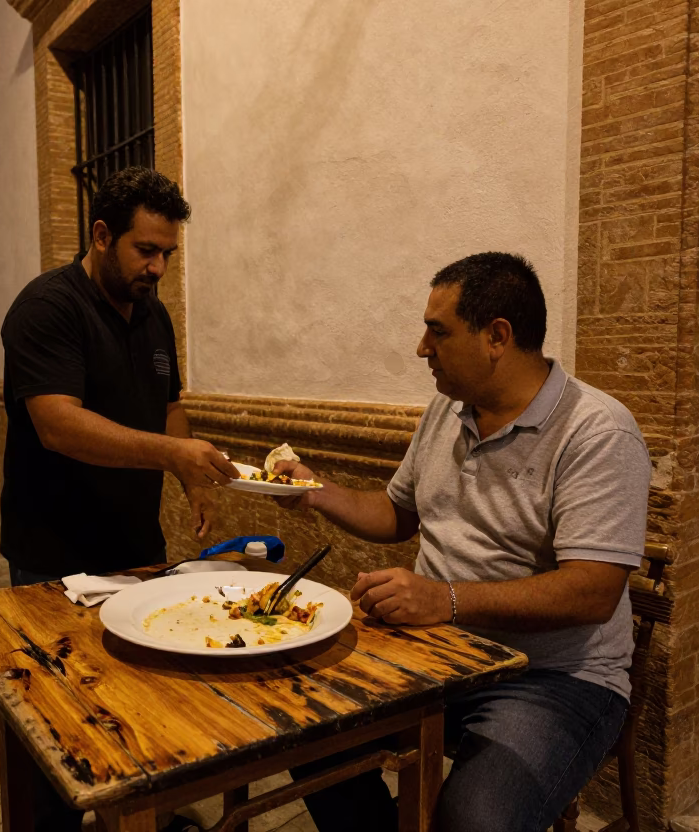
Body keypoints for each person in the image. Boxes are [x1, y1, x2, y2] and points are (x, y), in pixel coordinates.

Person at [271, 252, 651, 832]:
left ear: (497, 336)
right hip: (438, 652)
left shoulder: (597, 431)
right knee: (303, 728)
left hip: (553, 678)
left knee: (475, 819)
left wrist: (444, 599)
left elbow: (594, 592)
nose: (422, 347)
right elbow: (398, 513)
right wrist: (315, 491)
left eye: (438, 331)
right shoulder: (448, 411)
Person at [0, 166, 238, 832]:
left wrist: (193, 477)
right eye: (146, 250)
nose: (159, 267)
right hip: (54, 550)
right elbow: (57, 423)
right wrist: (173, 456)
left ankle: (137, 817)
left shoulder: (154, 314)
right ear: (103, 235)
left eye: (167, 253)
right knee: (58, 719)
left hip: (134, 546)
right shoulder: (48, 307)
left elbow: (170, 407)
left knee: (139, 703)